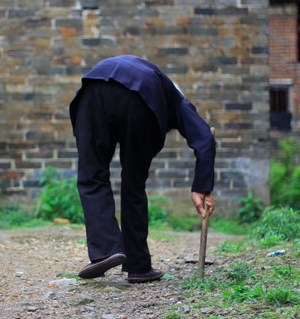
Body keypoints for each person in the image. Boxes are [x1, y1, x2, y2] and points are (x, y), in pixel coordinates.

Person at [69, 55, 216, 283]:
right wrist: (201, 187)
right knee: (133, 184)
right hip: (139, 99)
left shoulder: (150, 77)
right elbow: (205, 137)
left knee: (92, 177)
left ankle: (106, 249)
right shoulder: (174, 98)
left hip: (91, 92)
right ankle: (138, 265)